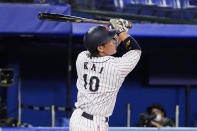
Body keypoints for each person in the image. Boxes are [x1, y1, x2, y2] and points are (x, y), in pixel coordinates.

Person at [69, 19, 142, 131]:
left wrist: (119, 30)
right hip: (93, 125)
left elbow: (102, 46)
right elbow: (135, 50)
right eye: (110, 40)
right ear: (100, 48)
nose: (114, 41)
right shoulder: (115, 67)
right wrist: (121, 30)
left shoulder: (82, 57)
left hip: (78, 119)